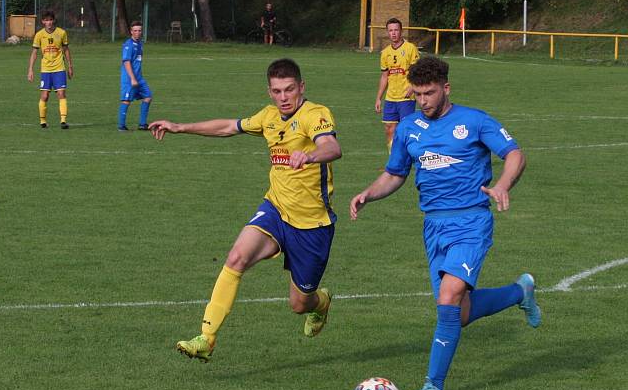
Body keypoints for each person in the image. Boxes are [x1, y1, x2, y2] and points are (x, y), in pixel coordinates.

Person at [350, 56, 541, 390]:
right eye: (417, 94)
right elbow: (395, 174)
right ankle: (519, 293)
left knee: (450, 296)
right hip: (433, 226)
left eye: (429, 93)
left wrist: (503, 185)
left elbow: (515, 154)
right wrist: (369, 193)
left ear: (446, 89)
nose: (422, 101)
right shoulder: (408, 127)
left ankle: (433, 385)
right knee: (459, 312)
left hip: (471, 221)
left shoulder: (474, 121)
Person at [149, 58, 342, 363]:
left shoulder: (315, 114)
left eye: (289, 89)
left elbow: (332, 147)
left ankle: (320, 303)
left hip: (311, 225)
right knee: (236, 257)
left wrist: (309, 155)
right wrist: (179, 127)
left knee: (299, 303)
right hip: (276, 209)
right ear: (269, 92)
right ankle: (206, 338)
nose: (283, 97)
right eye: (277, 91)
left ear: (301, 87)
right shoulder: (267, 117)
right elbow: (228, 127)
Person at [375, 18, 419, 153]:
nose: (393, 33)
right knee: (389, 128)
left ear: (401, 31)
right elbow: (384, 76)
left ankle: (408, 156)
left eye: (396, 30)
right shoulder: (385, 53)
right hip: (390, 97)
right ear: (387, 32)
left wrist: (412, 86)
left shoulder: (410, 48)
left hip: (406, 96)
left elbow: (417, 71)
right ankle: (393, 159)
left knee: (405, 129)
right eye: (390, 30)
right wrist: (378, 98)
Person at [27, 10, 73, 129]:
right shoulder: (39, 35)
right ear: (43, 21)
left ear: (54, 21)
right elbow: (34, 53)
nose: (49, 22)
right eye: (46, 20)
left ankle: (63, 121)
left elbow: (66, 50)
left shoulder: (61, 33)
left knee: (61, 93)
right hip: (46, 69)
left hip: (59, 68)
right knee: (45, 96)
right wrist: (30, 70)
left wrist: (70, 66)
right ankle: (43, 121)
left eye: (50, 20)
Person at [118, 21, 153, 131]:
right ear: (131, 32)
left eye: (139, 30)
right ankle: (121, 126)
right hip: (129, 79)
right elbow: (126, 62)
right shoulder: (128, 45)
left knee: (148, 97)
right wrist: (132, 78)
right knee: (126, 101)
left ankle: (142, 124)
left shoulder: (140, 44)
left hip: (139, 78)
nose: (138, 32)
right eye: (135, 31)